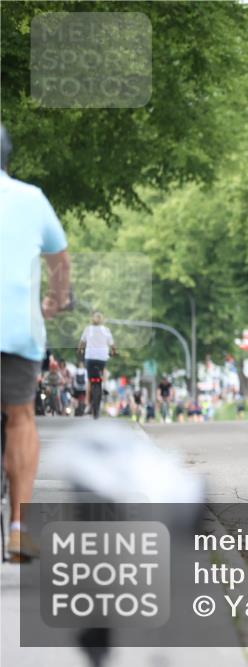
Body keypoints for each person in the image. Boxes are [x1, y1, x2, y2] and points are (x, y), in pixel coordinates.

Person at [0, 123, 72, 558]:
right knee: (21, 418)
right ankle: (19, 528)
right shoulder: (31, 198)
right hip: (17, 327)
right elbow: (59, 263)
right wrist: (56, 301)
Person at [78, 311, 116, 414]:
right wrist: (114, 352)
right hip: (102, 359)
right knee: (101, 375)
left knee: (90, 381)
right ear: (102, 320)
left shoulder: (88, 329)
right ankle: (103, 388)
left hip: (90, 357)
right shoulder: (106, 330)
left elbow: (82, 343)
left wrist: (79, 350)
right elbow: (112, 345)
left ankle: (87, 403)